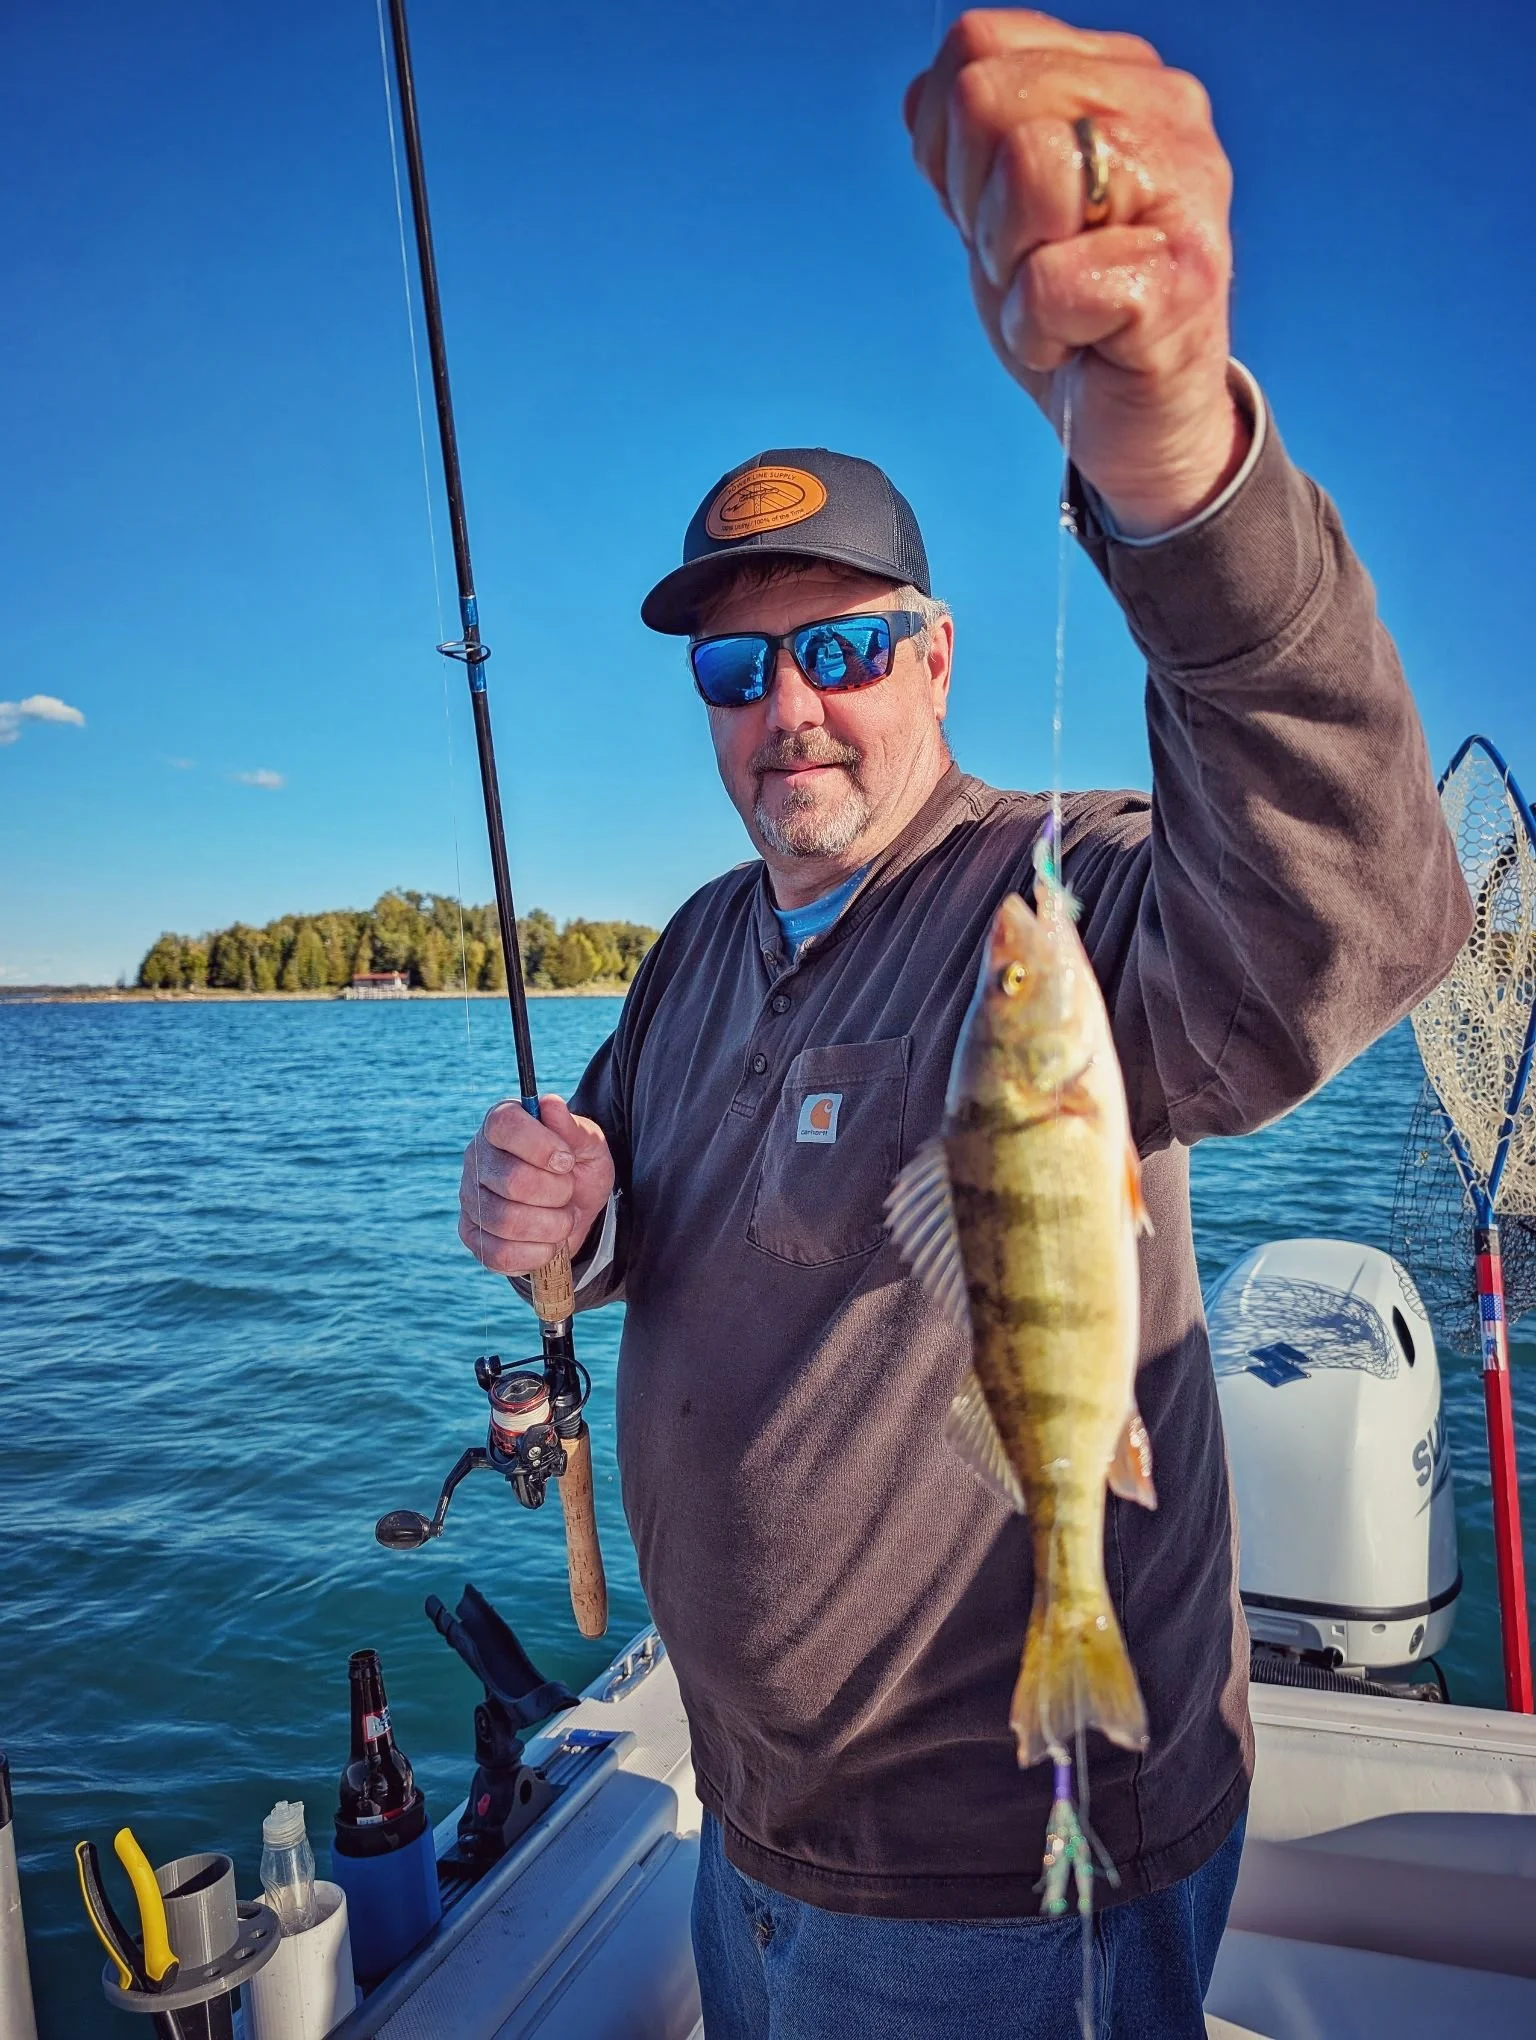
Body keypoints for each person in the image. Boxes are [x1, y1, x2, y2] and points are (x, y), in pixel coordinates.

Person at [458, 13, 1470, 2036]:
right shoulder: (691, 949)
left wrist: (1179, 464)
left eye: (837, 648)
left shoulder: (1058, 895)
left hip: (1006, 1877)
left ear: (930, 657)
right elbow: (635, 1223)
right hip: (741, 1834)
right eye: (734, 675)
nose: (786, 710)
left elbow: (1351, 917)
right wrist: (550, 1215)